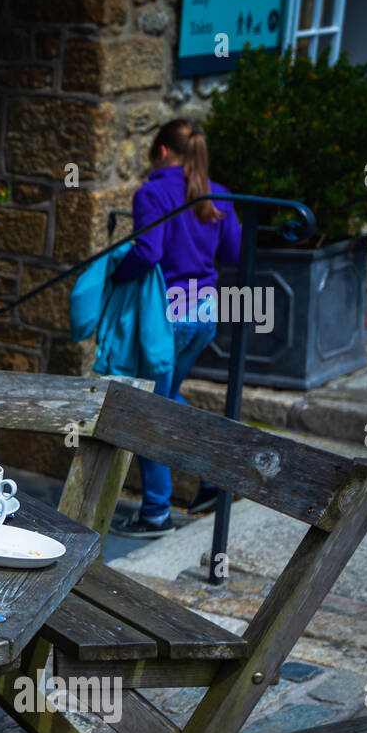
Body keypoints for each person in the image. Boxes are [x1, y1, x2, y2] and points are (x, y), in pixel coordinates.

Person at [108, 119, 241, 539]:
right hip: (205, 312)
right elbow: (235, 251)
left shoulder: (153, 192)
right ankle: (214, 478)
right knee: (167, 397)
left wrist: (116, 274)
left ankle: (156, 513)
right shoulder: (217, 192)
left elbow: (148, 251)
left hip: (168, 315)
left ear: (163, 151)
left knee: (151, 410)